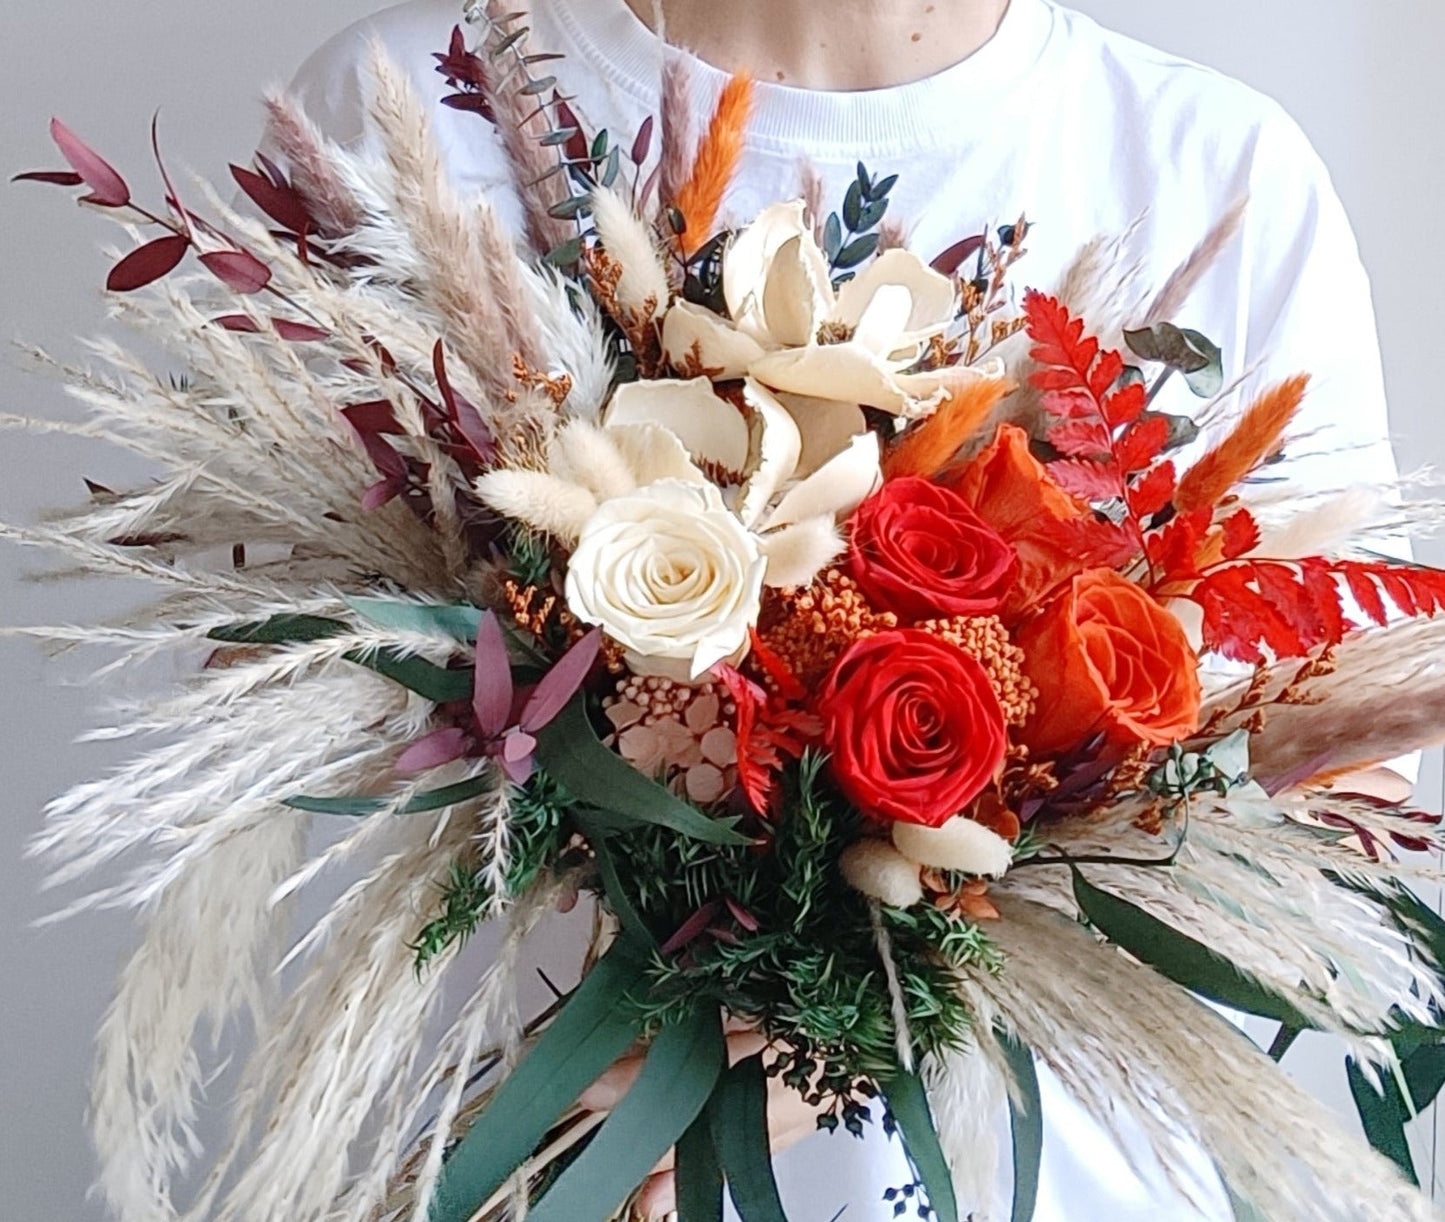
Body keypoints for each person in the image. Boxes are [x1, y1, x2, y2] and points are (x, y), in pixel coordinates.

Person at [283, 1, 1411, 1218]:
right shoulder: (405, 112)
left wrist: (793, 1026)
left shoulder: (1206, 168)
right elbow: (296, 699)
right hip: (541, 1170)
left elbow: (1339, 783)